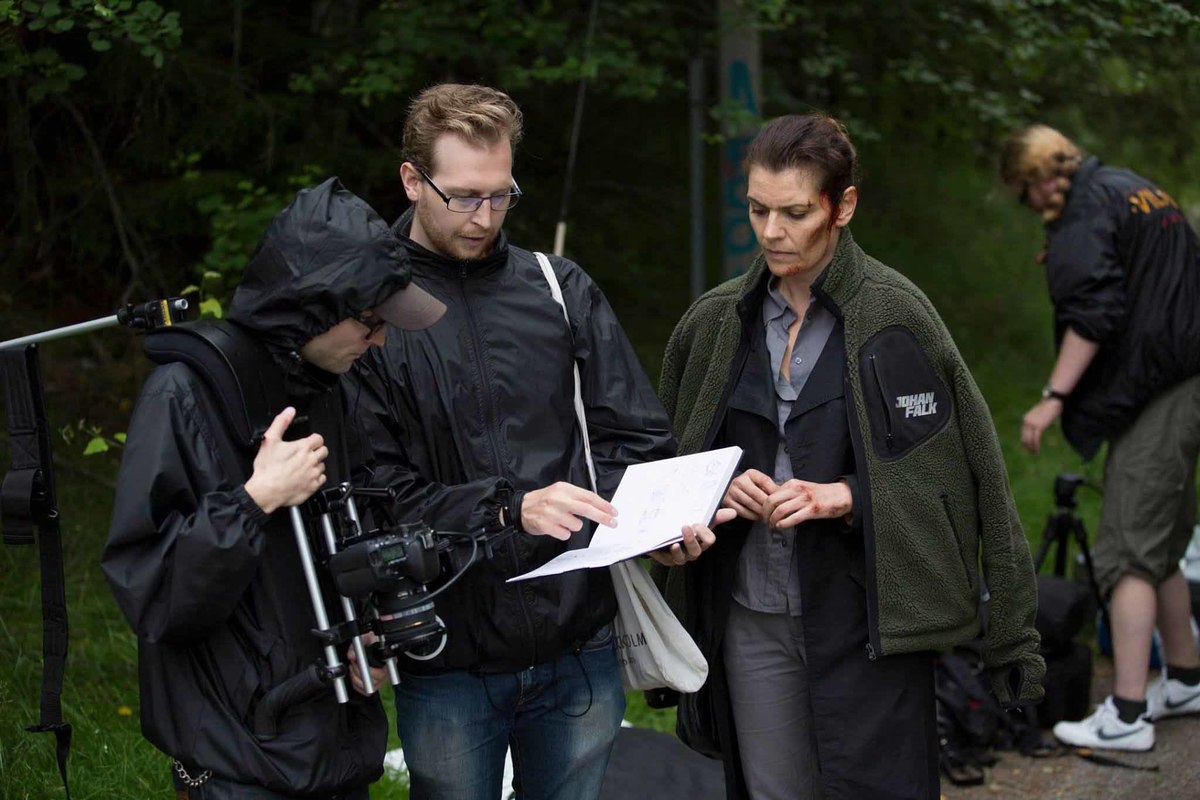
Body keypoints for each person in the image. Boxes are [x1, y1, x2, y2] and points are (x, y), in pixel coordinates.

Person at [348, 83, 727, 800]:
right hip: (449, 656)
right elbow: (378, 495)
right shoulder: (369, 314)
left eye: (502, 195)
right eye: (464, 196)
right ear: (412, 179)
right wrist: (508, 510)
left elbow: (634, 438)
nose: (484, 217)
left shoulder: (558, 287)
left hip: (578, 644)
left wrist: (651, 529)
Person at [653, 114, 1045, 799]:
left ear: (844, 206)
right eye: (757, 210)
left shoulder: (898, 316)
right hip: (749, 613)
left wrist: (850, 496)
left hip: (871, 618)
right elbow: (664, 465)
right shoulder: (714, 323)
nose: (771, 232)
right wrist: (715, 491)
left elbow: (968, 475)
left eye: (795, 212)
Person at [102, 177, 446, 798]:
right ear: (314, 308)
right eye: (369, 321)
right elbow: (155, 594)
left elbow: (348, 538)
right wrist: (255, 500)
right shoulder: (184, 395)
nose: (379, 339)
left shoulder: (328, 390)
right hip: (241, 758)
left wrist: (366, 631)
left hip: (334, 745)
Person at [1001, 124, 1200, 751]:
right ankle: (1186, 679)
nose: (1027, 206)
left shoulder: (1087, 209)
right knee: (1161, 540)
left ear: (1036, 180)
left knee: (1125, 552)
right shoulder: (1132, 187)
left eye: (1022, 193)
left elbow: (1093, 313)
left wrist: (1053, 397)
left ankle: (1128, 713)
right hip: (1180, 378)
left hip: (1160, 390)